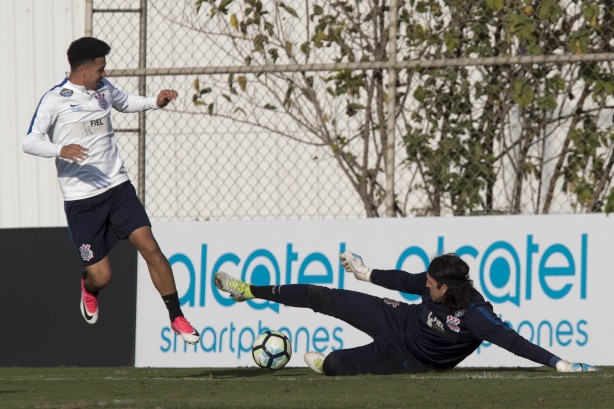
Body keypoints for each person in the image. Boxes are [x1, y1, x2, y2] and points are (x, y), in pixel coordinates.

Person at [23, 37, 199, 344]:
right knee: (102, 276)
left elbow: (125, 101)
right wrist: (59, 148)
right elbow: (30, 141)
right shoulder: (55, 100)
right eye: (100, 69)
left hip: (117, 187)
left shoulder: (102, 89)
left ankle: (177, 317)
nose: (104, 74)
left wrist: (154, 103)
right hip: (82, 200)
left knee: (150, 246)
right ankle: (88, 288)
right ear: (82, 69)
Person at [214, 251, 599, 375]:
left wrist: (560, 364)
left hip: (410, 358)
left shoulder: (476, 314)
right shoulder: (432, 283)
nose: (424, 283)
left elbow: (515, 343)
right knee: (323, 296)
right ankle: (248, 291)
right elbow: (403, 279)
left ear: (446, 288)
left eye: (430, 283)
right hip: (397, 319)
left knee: (328, 365)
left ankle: (331, 364)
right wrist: (367, 274)